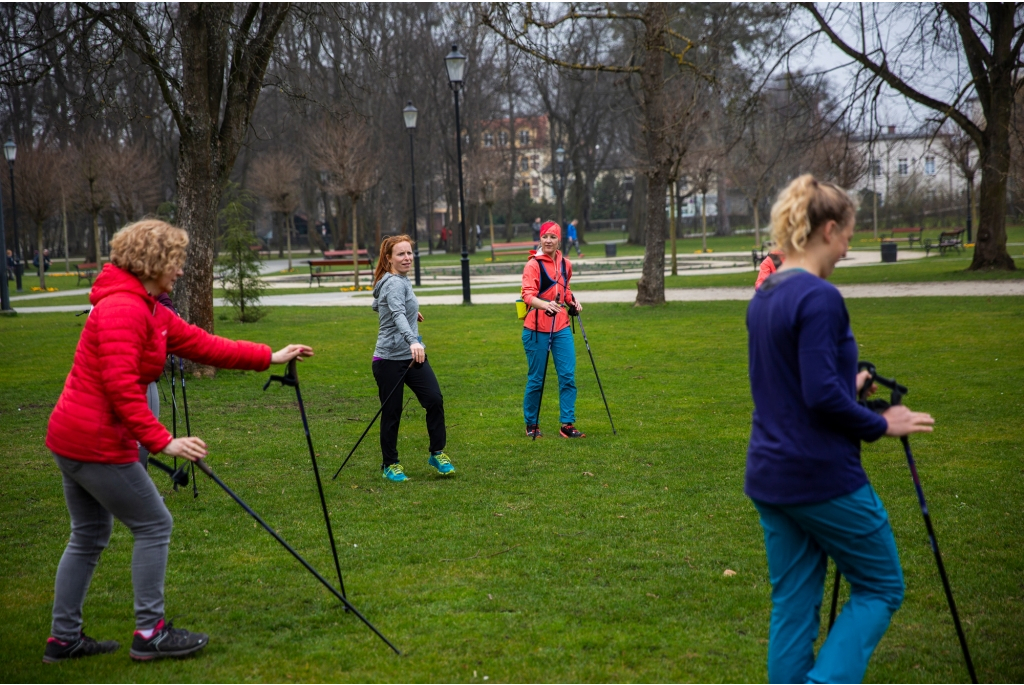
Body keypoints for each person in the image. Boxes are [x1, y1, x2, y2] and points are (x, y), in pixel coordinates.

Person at [43, 219, 314, 664]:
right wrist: (162, 441)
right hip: (93, 441)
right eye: (177, 261)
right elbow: (120, 387)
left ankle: (63, 638)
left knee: (89, 534)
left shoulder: (147, 307)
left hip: (76, 437)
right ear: (154, 261)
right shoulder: (123, 310)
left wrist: (270, 356)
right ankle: (149, 633)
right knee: (154, 524)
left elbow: (202, 344)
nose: (182, 270)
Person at [745, 175, 934, 683]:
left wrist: (849, 383)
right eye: (849, 236)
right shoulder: (820, 296)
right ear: (829, 229)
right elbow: (820, 397)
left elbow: (794, 384)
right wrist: (880, 422)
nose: (849, 249)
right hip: (819, 475)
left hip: (770, 475)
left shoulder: (766, 294)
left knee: (793, 606)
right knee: (881, 586)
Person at [371, 234, 454, 482]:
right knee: (392, 412)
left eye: (409, 253)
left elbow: (378, 305)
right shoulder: (394, 283)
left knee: (434, 399)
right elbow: (394, 313)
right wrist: (413, 339)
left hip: (411, 357)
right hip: (389, 360)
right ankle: (390, 464)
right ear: (389, 259)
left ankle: (437, 453)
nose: (407, 258)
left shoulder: (397, 280)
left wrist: (411, 311)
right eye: (401, 254)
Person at [520, 221, 584, 439]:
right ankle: (532, 423)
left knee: (567, 375)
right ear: (540, 239)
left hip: (561, 327)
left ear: (559, 240)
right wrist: (545, 304)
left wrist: (573, 302)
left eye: (552, 237)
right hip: (536, 327)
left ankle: (567, 423)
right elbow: (527, 295)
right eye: (545, 237)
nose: (548, 241)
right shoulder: (533, 265)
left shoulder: (566, 264)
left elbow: (565, 291)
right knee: (536, 379)